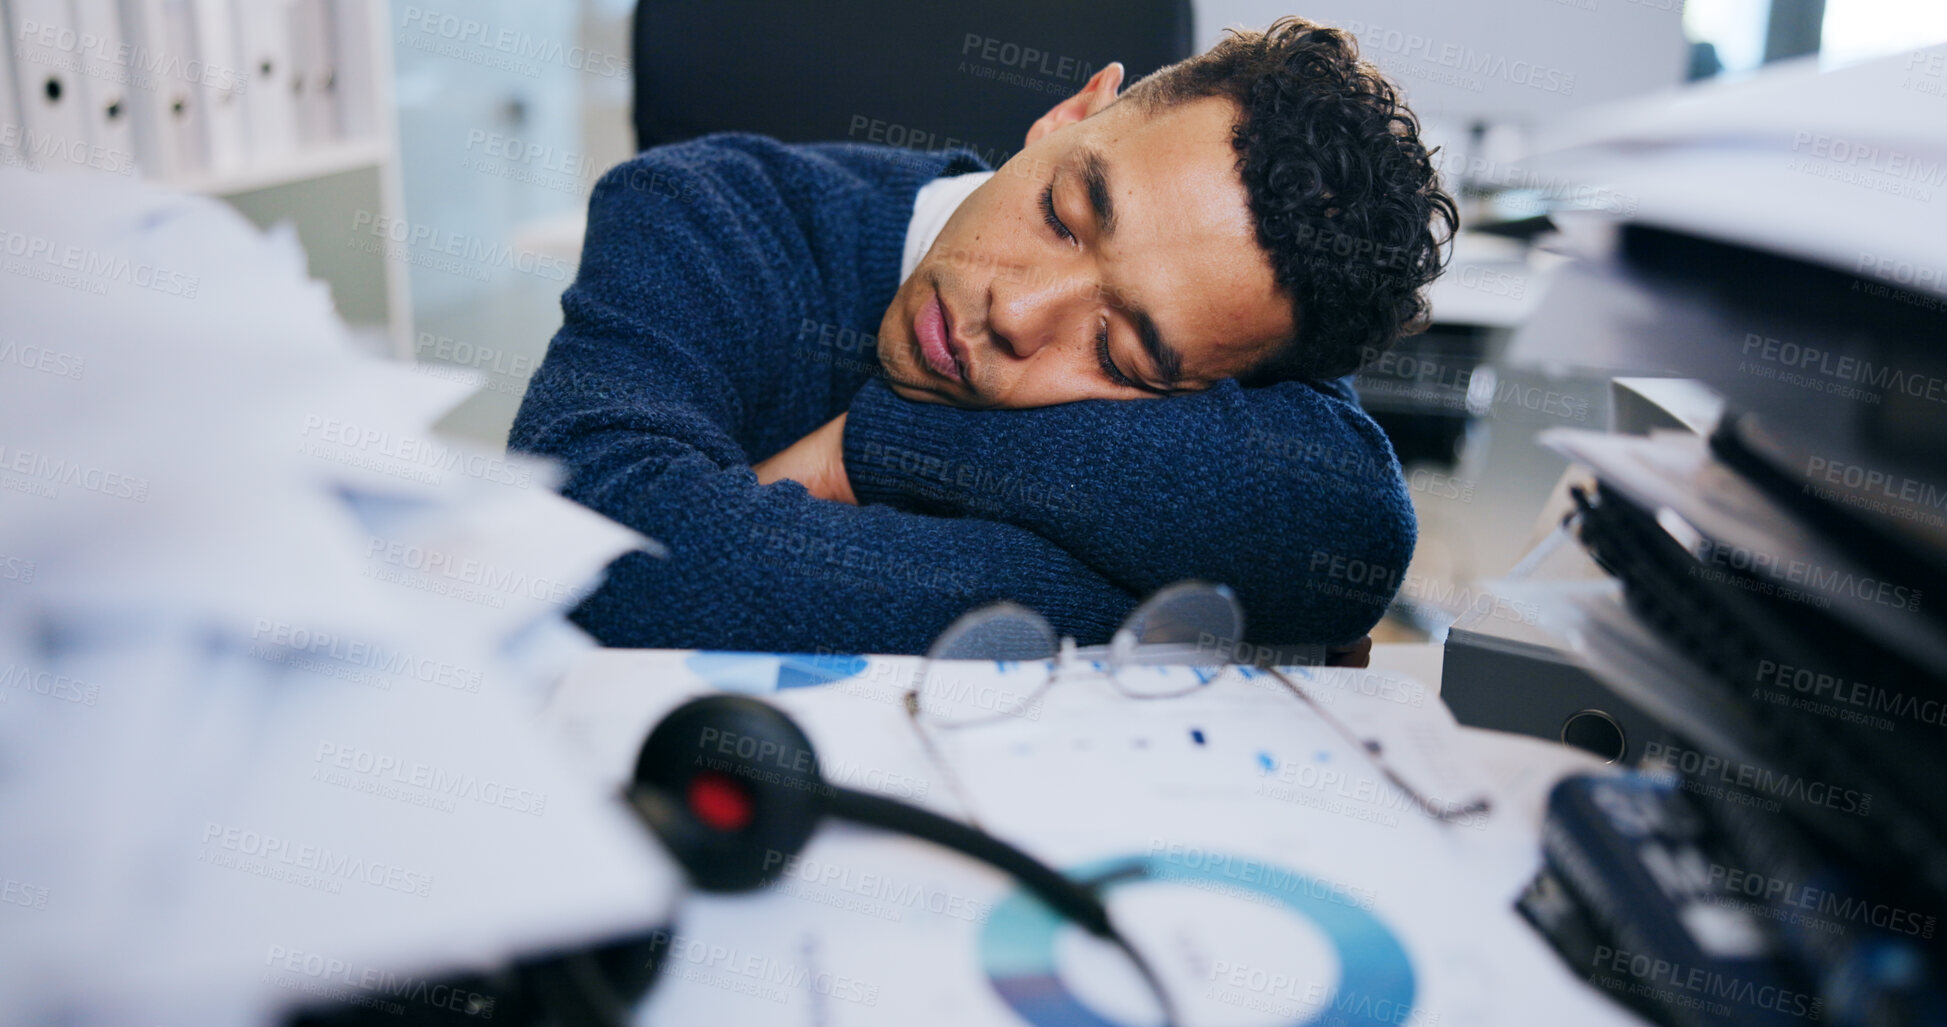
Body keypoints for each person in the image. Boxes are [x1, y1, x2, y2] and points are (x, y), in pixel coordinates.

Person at [509, 16, 1456, 657]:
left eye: (1121, 352)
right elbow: (591, 554)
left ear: (1217, 384)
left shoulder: (1243, 338)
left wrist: (870, 449)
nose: (1016, 311)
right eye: (1063, 211)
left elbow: (1353, 532)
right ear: (1069, 114)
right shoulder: (705, 207)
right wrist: (1147, 616)